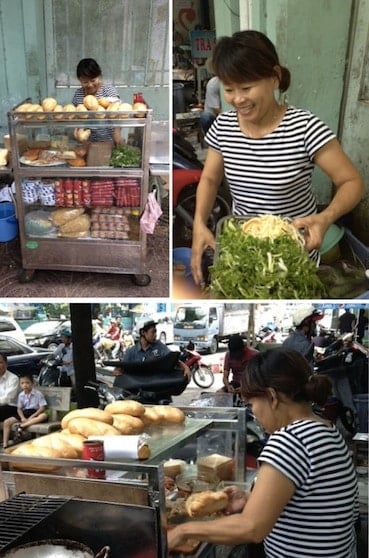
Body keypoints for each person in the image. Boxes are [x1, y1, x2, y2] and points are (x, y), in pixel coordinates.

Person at [190, 30, 365, 285]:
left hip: (295, 254)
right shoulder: (223, 126)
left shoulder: (305, 127)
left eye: (246, 87)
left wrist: (325, 218)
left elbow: (352, 182)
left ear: (274, 78)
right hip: (244, 249)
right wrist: (198, 224)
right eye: (229, 89)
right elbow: (209, 179)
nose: (237, 99)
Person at [167, 348, 359, 557]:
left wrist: (183, 531)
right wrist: (250, 499)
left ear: (271, 396)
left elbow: (251, 528)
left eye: (252, 404)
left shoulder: (289, 441)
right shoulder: (326, 429)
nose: (254, 414)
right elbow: (311, 504)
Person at [122, 320, 191, 381]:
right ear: (143, 332)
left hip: (158, 388)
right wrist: (118, 370)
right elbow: (122, 367)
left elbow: (172, 359)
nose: (155, 335)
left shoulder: (160, 346)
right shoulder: (131, 352)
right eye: (153, 332)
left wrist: (185, 367)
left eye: (156, 332)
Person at [72, 58, 121, 143]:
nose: (90, 85)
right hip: (87, 143)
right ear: (79, 79)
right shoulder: (78, 94)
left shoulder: (108, 90)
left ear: (99, 76)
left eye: (93, 80)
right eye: (85, 82)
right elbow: (76, 117)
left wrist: (117, 133)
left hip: (109, 140)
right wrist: (77, 130)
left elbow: (118, 112)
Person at [2, 374, 48, 448]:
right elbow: (19, 409)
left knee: (44, 416)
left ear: (32, 383)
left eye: (27, 383)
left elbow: (42, 407)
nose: (25, 385)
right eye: (22, 383)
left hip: (35, 412)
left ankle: (22, 426)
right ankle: (5, 444)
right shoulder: (21, 395)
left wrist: (32, 416)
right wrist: (22, 417)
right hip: (25, 413)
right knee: (6, 422)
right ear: (20, 385)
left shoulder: (38, 394)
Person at [0, 353, 19, 422]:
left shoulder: (13, 378)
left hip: (11, 407)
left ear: (6, 364)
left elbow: (8, 398)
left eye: (0, 362)